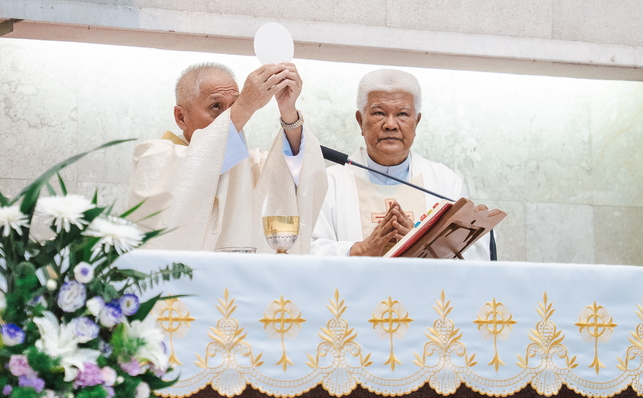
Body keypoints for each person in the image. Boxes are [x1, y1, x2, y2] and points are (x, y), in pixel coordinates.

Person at [128, 62, 327, 252]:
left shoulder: (251, 165)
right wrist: (246, 105)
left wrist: (288, 112)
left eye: (234, 104)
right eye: (216, 107)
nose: (229, 115)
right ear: (181, 117)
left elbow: (297, 178)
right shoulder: (153, 157)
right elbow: (194, 170)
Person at [311, 68, 490, 259]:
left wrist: (424, 246)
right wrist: (359, 250)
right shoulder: (330, 184)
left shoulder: (445, 182)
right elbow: (309, 250)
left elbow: (476, 255)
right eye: (379, 113)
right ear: (360, 120)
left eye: (402, 114)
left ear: (416, 122)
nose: (390, 124)